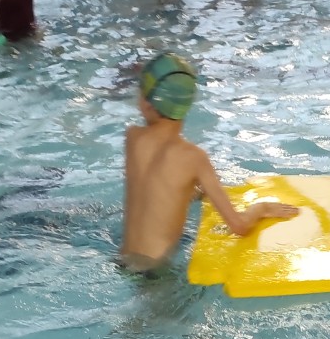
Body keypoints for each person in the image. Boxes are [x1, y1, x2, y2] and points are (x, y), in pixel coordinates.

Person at [121, 52, 298, 273]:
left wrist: (191, 192)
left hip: (121, 262)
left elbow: (154, 188)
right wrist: (261, 208)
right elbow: (239, 226)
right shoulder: (194, 158)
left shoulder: (132, 138)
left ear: (147, 104)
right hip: (155, 271)